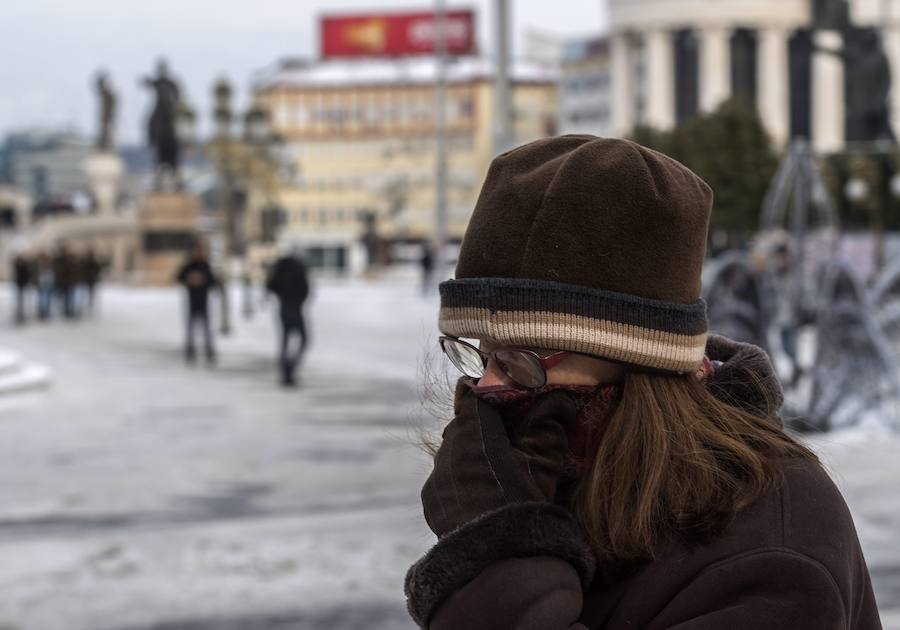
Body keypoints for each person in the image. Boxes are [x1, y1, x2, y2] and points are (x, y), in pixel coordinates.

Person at [404, 137, 880, 630]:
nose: (487, 386)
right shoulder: (573, 469)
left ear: (634, 360)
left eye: (516, 360)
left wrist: (496, 549)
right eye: (479, 355)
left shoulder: (771, 538)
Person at [266, 246, 310, 386]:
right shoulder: (298, 268)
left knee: (285, 341)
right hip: (295, 308)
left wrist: (282, 295)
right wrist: (298, 300)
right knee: (303, 339)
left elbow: (270, 286)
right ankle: (290, 368)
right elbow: (305, 289)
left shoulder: (280, 268)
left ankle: (286, 370)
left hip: (284, 307)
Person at [176, 242, 218, 364]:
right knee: (190, 329)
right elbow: (179, 277)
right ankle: (190, 351)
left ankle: (209, 351)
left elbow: (212, 282)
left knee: (207, 329)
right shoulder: (189, 266)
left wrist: (203, 281)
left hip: (203, 301)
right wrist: (189, 280)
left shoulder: (205, 266)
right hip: (192, 301)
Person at [11, 253, 32, 324]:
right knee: (19, 301)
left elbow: (28, 273)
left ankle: (22, 314)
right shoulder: (17, 264)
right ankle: (20, 315)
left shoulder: (26, 264)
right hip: (19, 284)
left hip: (24, 284)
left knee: (23, 300)